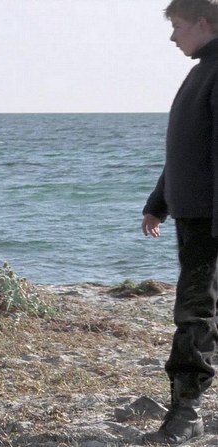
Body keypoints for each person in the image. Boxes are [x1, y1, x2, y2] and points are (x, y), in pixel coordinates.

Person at [141, 0, 218, 444]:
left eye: (179, 26)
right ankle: (187, 409)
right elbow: (186, 150)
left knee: (196, 314)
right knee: (197, 313)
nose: (173, 37)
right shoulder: (202, 71)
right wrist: (159, 202)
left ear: (203, 23)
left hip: (210, 221)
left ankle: (187, 412)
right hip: (195, 217)